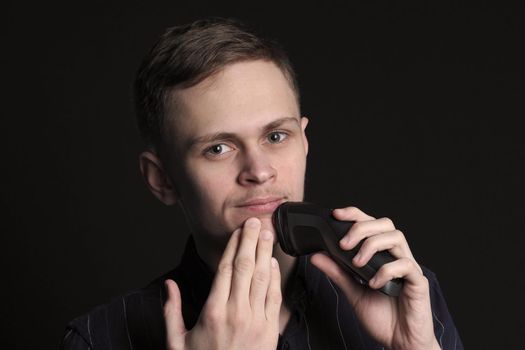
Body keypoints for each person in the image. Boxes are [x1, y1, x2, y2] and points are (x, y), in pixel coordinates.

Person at [61, 17, 463, 350]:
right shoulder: (99, 340)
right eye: (218, 148)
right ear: (161, 179)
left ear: (305, 143)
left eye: (275, 136)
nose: (259, 170)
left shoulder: (406, 294)